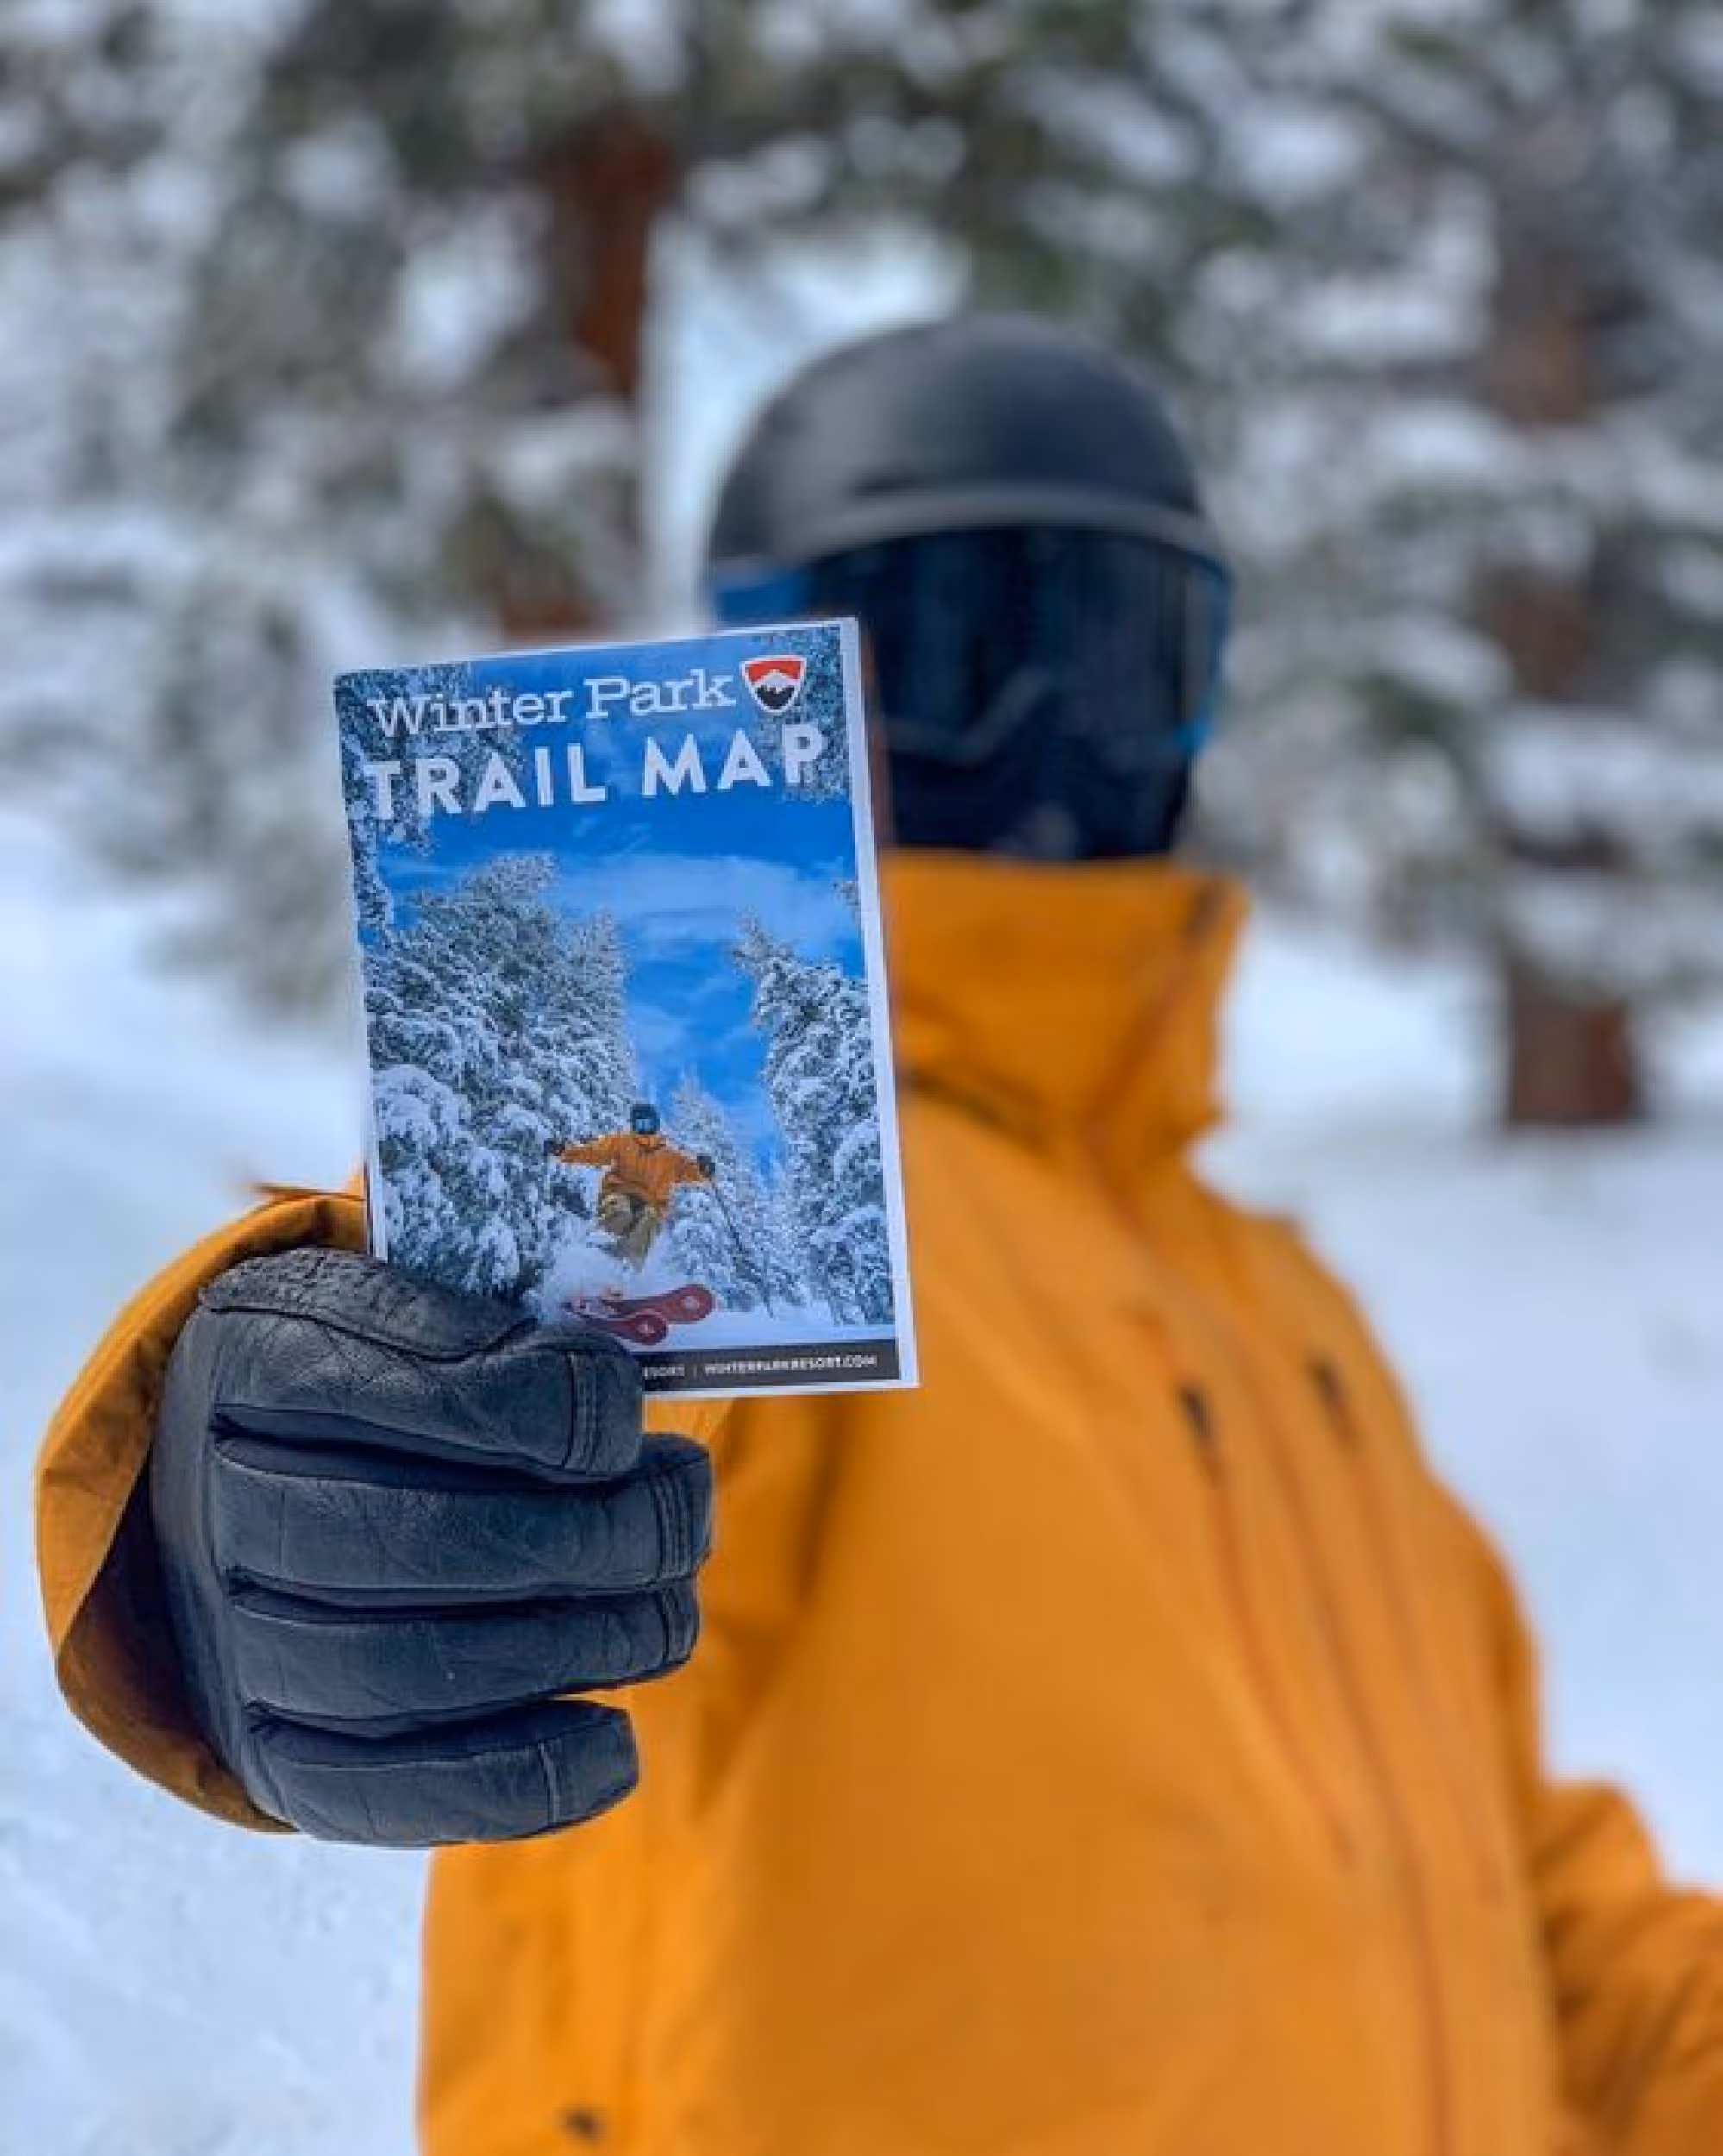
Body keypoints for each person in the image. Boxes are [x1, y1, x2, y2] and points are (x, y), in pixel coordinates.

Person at [35, 316, 1723, 2156]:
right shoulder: (812, 1201)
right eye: (937, 655)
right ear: (761, 674)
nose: (1035, 729)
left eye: (1102, 651)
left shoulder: (1283, 1305)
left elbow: (1524, 1900)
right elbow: (557, 1329)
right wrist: (262, 1475)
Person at [551, 1102, 714, 1269]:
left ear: (656, 1124)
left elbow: (691, 1171)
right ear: (633, 1125)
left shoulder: (670, 1157)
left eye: (648, 1124)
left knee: (649, 1219)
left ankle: (626, 1268)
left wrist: (704, 1169)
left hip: (651, 1204)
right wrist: (564, 1151)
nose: (644, 1129)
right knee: (621, 1211)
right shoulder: (622, 1142)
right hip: (619, 1193)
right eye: (639, 1124)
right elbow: (593, 1152)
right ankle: (598, 1249)